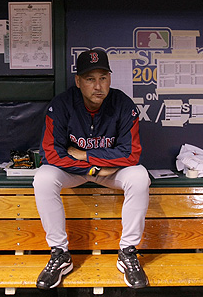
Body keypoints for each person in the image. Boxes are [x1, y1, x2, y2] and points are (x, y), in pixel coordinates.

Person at [33, 49, 150, 290]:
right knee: (43, 178)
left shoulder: (122, 104)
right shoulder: (62, 105)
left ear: (109, 79)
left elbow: (131, 153)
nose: (98, 86)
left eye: (103, 78)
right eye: (90, 79)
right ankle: (60, 253)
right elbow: (51, 153)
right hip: (84, 172)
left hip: (108, 171)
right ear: (78, 81)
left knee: (139, 177)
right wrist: (94, 169)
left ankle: (127, 252)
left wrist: (87, 155)